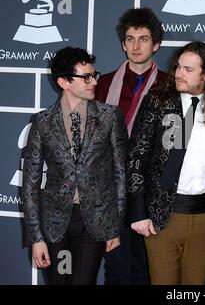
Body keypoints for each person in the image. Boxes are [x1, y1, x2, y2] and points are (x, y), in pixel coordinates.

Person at [126, 41, 205, 284]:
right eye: (178, 67)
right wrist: (139, 213)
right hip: (163, 215)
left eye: (188, 69)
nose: (179, 74)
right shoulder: (158, 101)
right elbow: (136, 159)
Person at [22, 47, 128, 285]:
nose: (93, 82)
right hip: (55, 223)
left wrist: (115, 225)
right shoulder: (42, 122)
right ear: (64, 82)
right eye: (86, 77)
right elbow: (30, 182)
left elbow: (121, 173)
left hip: (95, 223)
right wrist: (36, 237)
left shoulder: (110, 116)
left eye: (94, 75)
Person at [94, 7, 167, 285]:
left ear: (156, 44)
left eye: (144, 39)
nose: (136, 46)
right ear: (123, 44)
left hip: (149, 190)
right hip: (110, 189)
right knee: (116, 268)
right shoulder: (102, 84)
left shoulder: (169, 85)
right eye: (130, 39)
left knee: (145, 269)